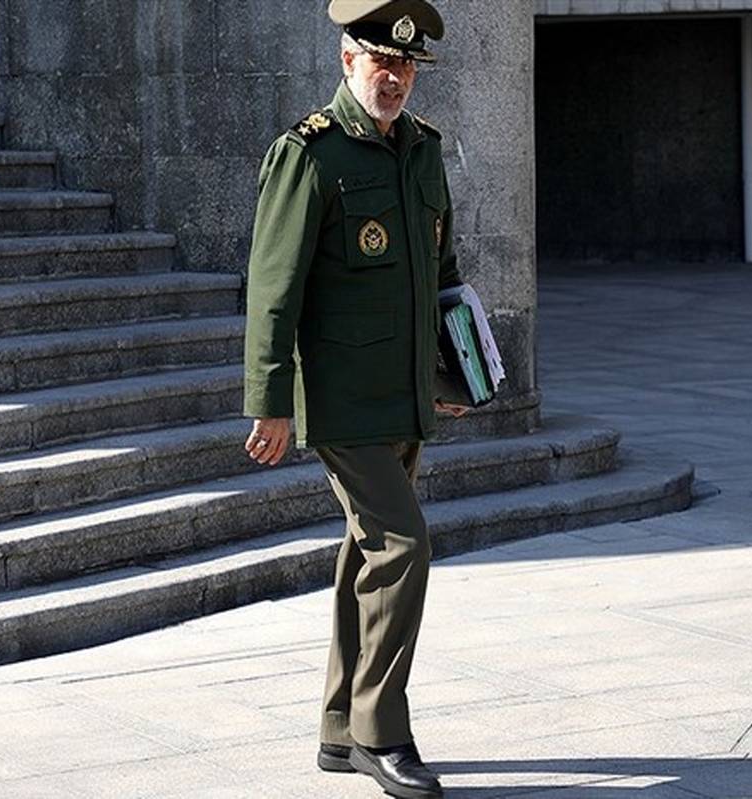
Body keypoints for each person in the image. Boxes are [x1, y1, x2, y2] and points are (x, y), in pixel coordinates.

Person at [242, 1, 469, 797]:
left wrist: (454, 373)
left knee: (366, 550)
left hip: (403, 394)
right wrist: (270, 399)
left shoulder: (423, 150)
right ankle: (381, 730)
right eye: (381, 62)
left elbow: (444, 273)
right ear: (347, 61)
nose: (395, 78)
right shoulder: (309, 155)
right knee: (403, 547)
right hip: (341, 397)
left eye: (406, 66)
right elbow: (273, 289)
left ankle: (340, 726)